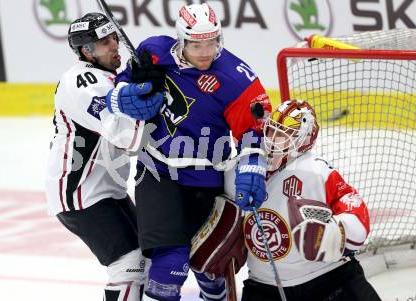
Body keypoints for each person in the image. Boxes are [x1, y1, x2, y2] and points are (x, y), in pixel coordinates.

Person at [108, 3, 272, 301]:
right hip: (157, 169)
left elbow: (253, 130)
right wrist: (126, 96)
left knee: (206, 263)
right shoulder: (154, 53)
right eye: (196, 44)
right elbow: (122, 85)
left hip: (208, 175)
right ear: (181, 41)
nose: (205, 51)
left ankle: (214, 293)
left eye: (211, 42)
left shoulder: (237, 79)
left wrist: (252, 168)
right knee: (170, 263)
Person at [45, 12, 164, 301]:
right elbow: (127, 137)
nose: (114, 46)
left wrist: (140, 78)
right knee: (128, 265)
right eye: (104, 42)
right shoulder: (79, 81)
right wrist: (145, 93)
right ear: (86, 51)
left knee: (146, 260)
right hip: (80, 193)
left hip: (106, 190)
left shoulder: (108, 75)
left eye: (113, 38)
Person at [225, 99, 381, 301]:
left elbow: (355, 211)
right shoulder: (242, 169)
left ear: (304, 141)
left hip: (329, 279)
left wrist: (339, 233)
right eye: (272, 130)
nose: (272, 139)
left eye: (282, 134)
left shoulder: (316, 171)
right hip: (265, 287)